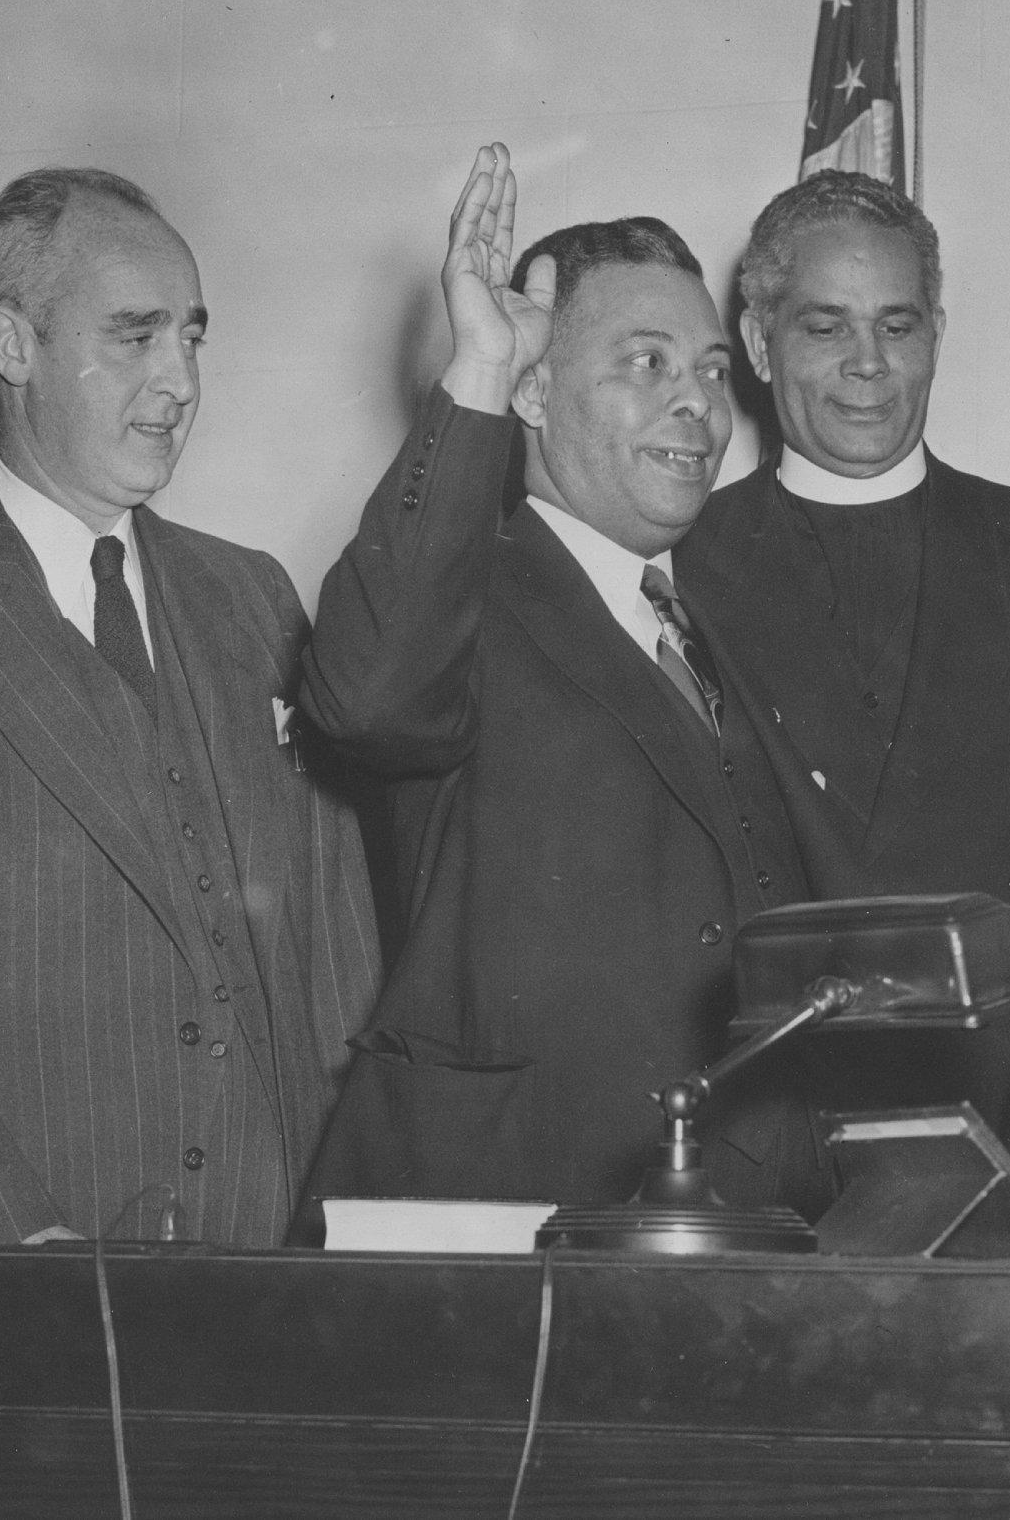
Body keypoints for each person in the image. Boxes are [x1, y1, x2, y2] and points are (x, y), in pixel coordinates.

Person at [0, 169, 382, 1245]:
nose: (180, 379)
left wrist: (346, 1233)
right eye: (136, 336)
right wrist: (13, 1253)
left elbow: (337, 959)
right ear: (11, 345)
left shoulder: (254, 595)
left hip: (267, 1290)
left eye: (192, 336)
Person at [298, 146, 837, 1218]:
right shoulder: (461, 593)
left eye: (712, 369)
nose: (698, 404)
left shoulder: (719, 620)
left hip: (734, 1222)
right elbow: (363, 694)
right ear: (537, 393)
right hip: (508, 1222)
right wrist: (481, 370)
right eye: (645, 362)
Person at [676, 170, 1010, 1123]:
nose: (867, 363)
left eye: (896, 325)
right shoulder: (685, 564)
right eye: (824, 326)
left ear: (936, 335)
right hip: (767, 1128)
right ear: (759, 345)